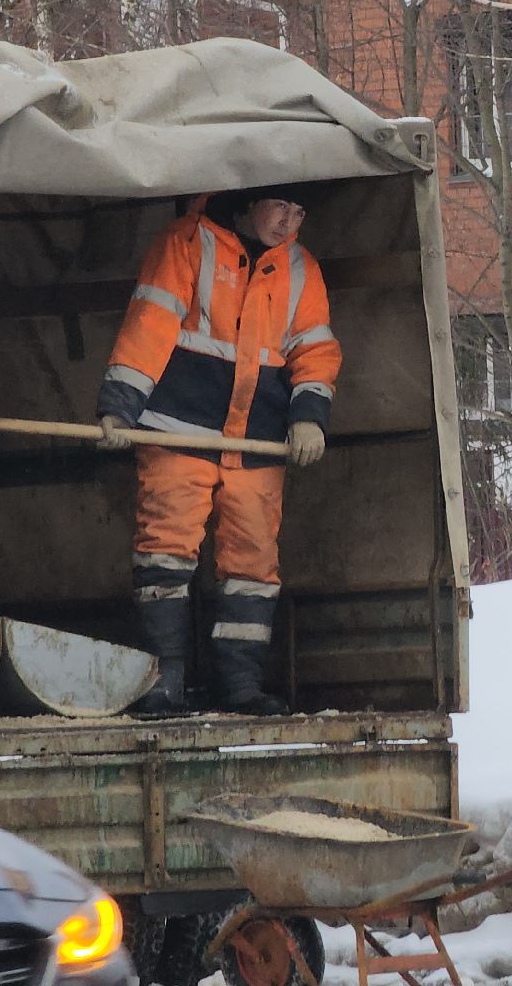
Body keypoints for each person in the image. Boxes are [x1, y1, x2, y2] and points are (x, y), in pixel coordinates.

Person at [96, 185, 339, 715]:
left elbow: (315, 352)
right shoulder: (187, 242)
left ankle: (242, 690)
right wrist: (119, 407)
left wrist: (309, 418)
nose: (288, 221)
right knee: (164, 553)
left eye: (299, 210)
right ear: (249, 201)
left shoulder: (302, 269)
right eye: (280, 206)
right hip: (179, 431)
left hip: (256, 443)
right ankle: (163, 683)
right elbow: (150, 325)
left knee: (252, 568)